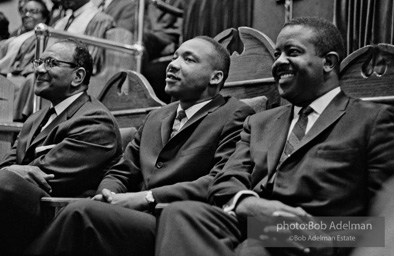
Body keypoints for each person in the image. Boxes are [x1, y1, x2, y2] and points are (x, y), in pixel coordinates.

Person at [153, 17, 394, 256]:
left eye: (292, 52)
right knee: (180, 213)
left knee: (252, 250)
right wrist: (247, 204)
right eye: (277, 54)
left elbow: (384, 215)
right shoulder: (258, 122)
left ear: (329, 63)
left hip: (312, 237)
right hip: (247, 224)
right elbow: (225, 182)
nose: (278, 62)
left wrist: (325, 239)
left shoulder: (373, 120)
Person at [25, 35, 255, 256]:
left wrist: (146, 197)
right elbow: (122, 170)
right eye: (174, 56)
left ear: (215, 77)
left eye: (188, 59)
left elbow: (219, 180)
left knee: (82, 213)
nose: (173, 65)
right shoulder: (156, 117)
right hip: (134, 216)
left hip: (178, 220)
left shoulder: (235, 114)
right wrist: (108, 195)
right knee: (88, 210)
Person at [0, 38, 123, 255]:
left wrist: (10, 171)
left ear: (78, 76)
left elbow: (45, 178)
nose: (38, 69)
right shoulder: (35, 119)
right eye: (38, 62)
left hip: (54, 221)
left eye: (50, 62)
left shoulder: (95, 120)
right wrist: (11, 170)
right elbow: (8, 165)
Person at [0, 0, 50, 77]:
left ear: (44, 18)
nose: (26, 14)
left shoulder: (46, 37)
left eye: (33, 11)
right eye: (24, 11)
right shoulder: (15, 35)